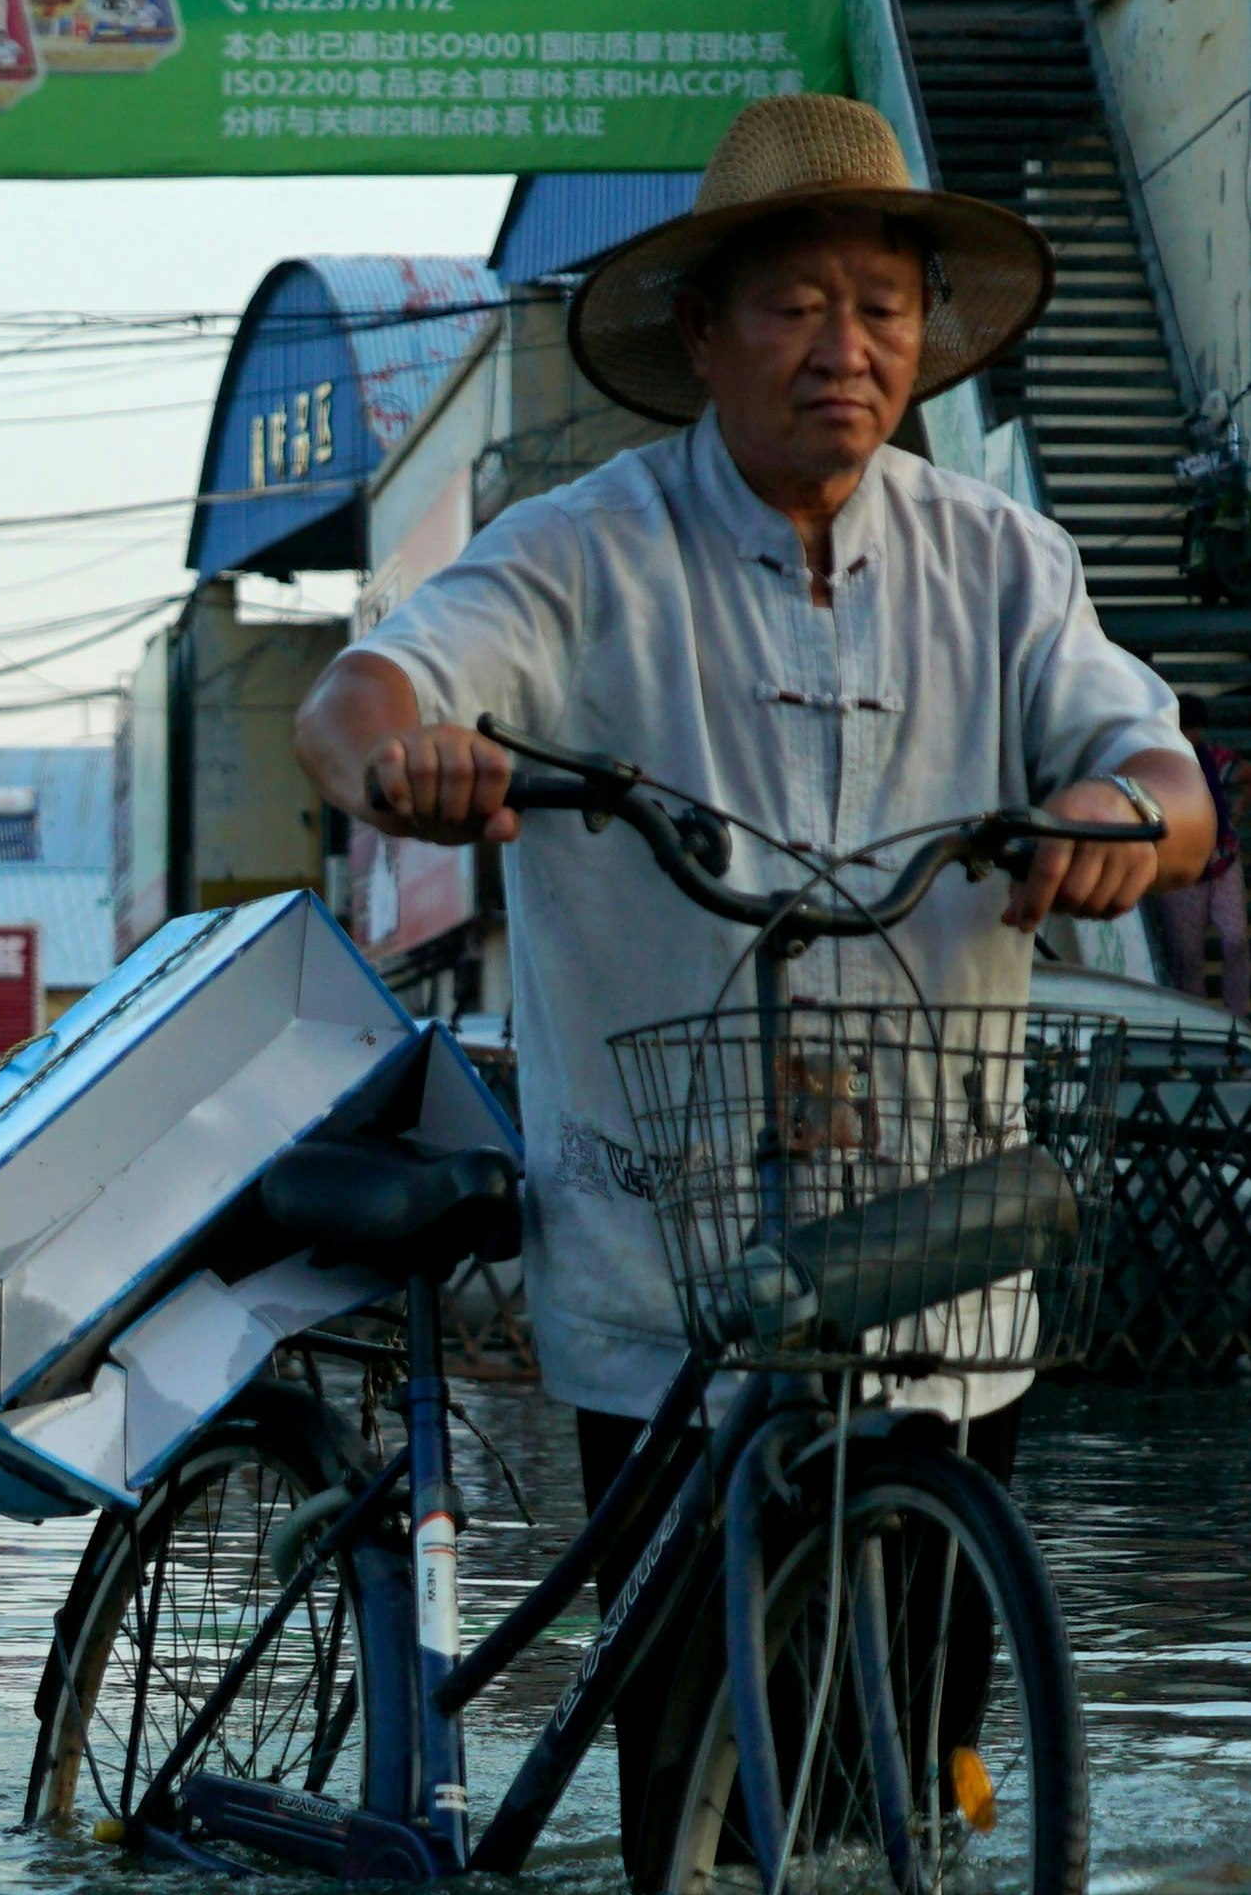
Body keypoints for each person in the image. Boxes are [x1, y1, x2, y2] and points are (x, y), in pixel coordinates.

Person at [290, 95, 1211, 1880]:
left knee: (921, 1771)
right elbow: (363, 694)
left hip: (935, 1243)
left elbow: (1158, 768)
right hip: (674, 1229)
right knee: (694, 1779)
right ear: (704, 333)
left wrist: (1119, 817)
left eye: (881, 305)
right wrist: (407, 759)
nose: (844, 347)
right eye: (795, 304)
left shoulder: (1006, 561)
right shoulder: (582, 548)